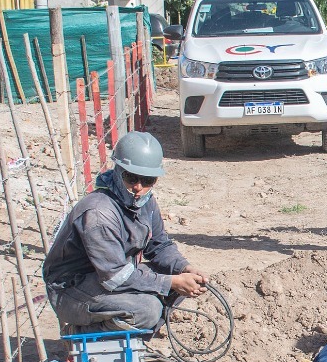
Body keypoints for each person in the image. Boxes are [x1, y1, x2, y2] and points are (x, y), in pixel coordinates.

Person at [43, 131, 208, 334]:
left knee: (175, 284)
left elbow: (159, 246)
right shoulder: (98, 213)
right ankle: (78, 335)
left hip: (103, 277)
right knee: (147, 310)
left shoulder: (144, 202)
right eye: (131, 178)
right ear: (117, 171)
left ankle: (126, 340)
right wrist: (171, 282)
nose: (138, 187)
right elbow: (115, 276)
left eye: (147, 180)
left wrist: (184, 268)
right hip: (71, 290)